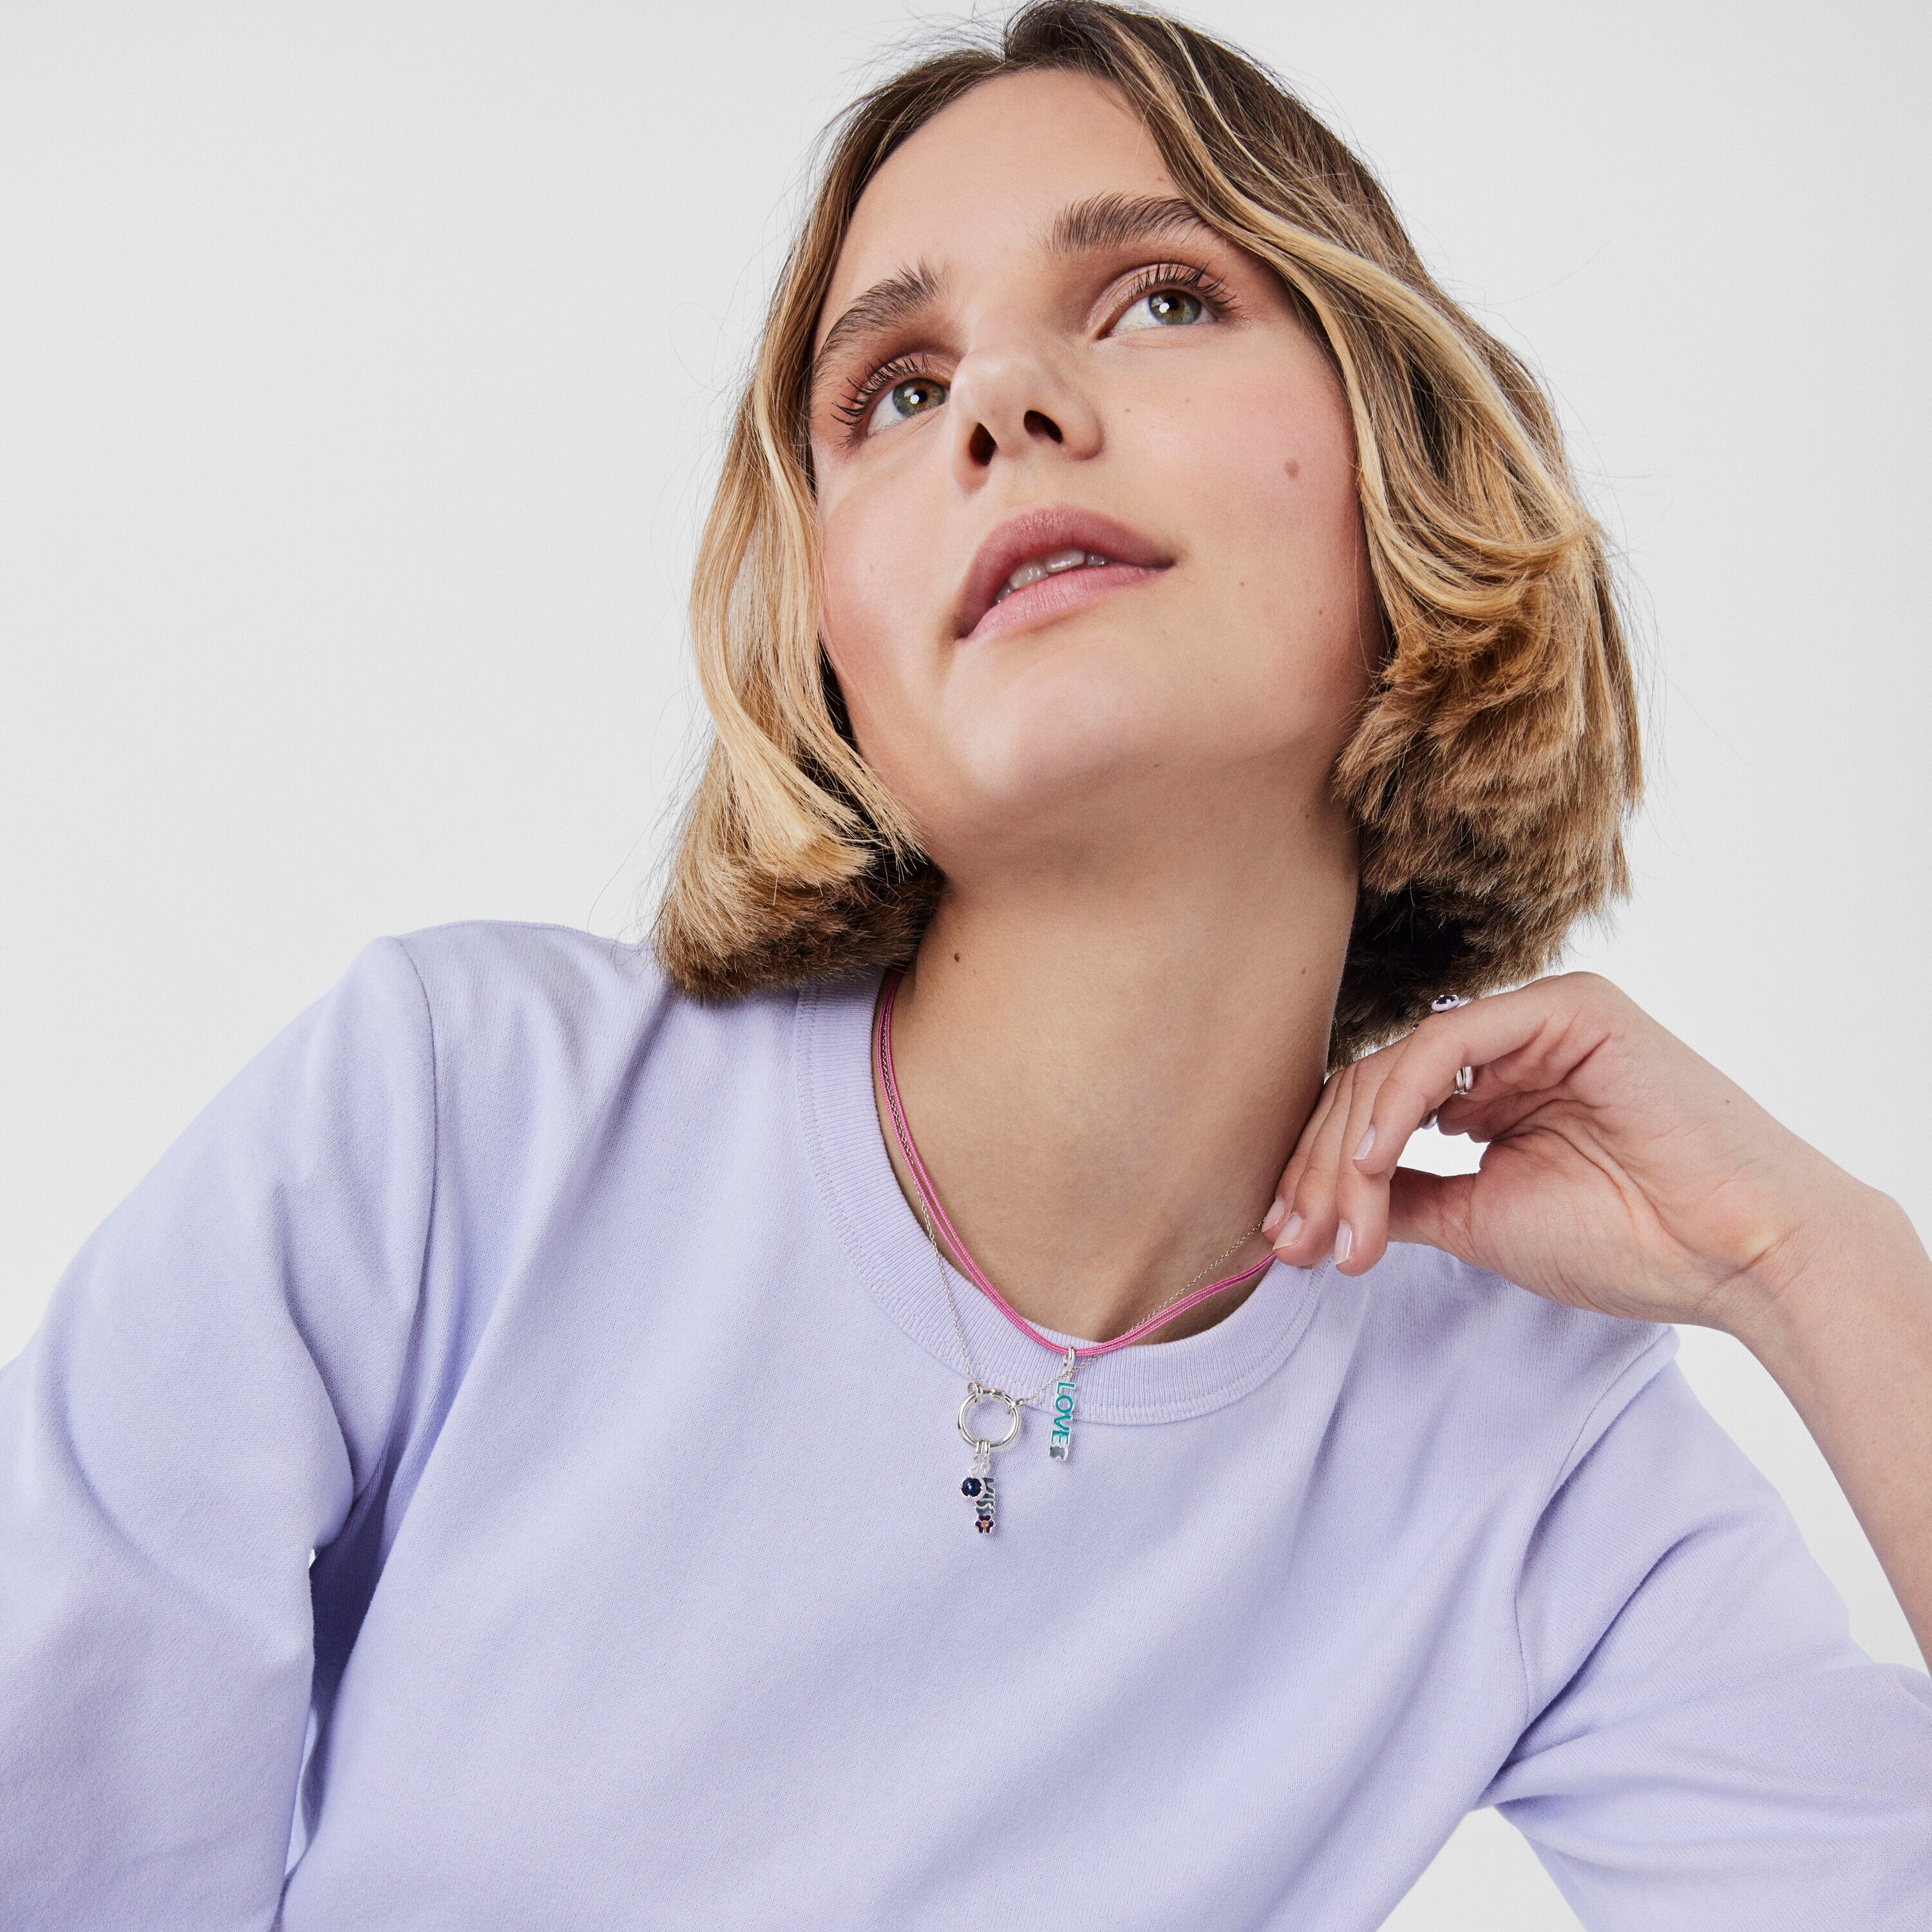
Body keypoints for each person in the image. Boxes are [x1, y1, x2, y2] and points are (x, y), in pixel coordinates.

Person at [3, 3, 1929, 1926]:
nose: (1003, 403)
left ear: (1403, 460)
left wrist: (1818, 1263)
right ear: (829, 627)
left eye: (1161, 299)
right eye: (897, 391)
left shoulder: (1540, 1452)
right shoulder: (453, 1127)